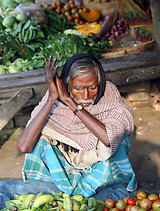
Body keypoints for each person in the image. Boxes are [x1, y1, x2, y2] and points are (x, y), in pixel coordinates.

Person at [17, 53, 136, 197]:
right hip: (65, 162)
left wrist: (70, 102)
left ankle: (101, 183)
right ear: (66, 86)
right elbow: (25, 146)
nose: (86, 96)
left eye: (92, 87)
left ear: (100, 82)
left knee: (117, 137)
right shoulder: (55, 95)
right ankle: (58, 184)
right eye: (78, 88)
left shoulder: (108, 93)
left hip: (96, 163)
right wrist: (51, 99)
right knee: (38, 137)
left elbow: (109, 138)